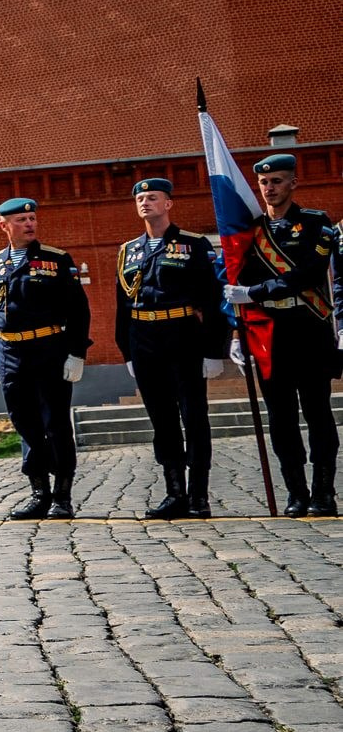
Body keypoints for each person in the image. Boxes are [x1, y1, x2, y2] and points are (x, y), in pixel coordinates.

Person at [228, 151, 340, 515]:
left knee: (318, 412)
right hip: (267, 335)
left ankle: (324, 492)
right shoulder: (249, 230)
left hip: (308, 328)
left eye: (277, 181)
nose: (269, 188)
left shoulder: (315, 223)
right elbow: (233, 280)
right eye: (263, 182)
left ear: (293, 182)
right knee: (281, 417)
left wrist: (257, 292)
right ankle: (296, 492)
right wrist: (235, 332)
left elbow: (309, 272)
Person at [114, 178, 230, 520]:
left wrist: (213, 350)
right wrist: (127, 351)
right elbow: (122, 305)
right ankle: (174, 493)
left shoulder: (193, 245)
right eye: (140, 198)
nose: (145, 203)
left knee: (194, 417)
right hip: (144, 338)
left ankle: (198, 496)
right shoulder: (128, 251)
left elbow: (212, 299)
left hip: (183, 336)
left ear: (169, 204)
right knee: (162, 421)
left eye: (153, 197)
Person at [0, 197, 91, 521]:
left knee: (55, 424)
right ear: (4, 225)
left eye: (32, 218)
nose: (29, 224)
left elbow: (78, 309)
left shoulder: (56, 259)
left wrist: (76, 352)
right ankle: (39, 493)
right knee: (24, 423)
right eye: (21, 220)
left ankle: (63, 497)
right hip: (10, 352)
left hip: (48, 349)